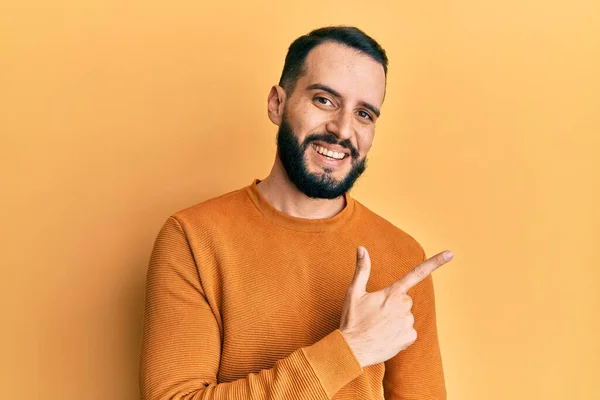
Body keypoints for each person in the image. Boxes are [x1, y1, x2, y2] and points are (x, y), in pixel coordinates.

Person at [139, 26, 453, 400]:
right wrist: (350, 350)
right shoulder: (192, 237)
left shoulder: (401, 256)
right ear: (277, 103)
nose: (342, 129)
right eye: (324, 100)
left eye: (364, 113)